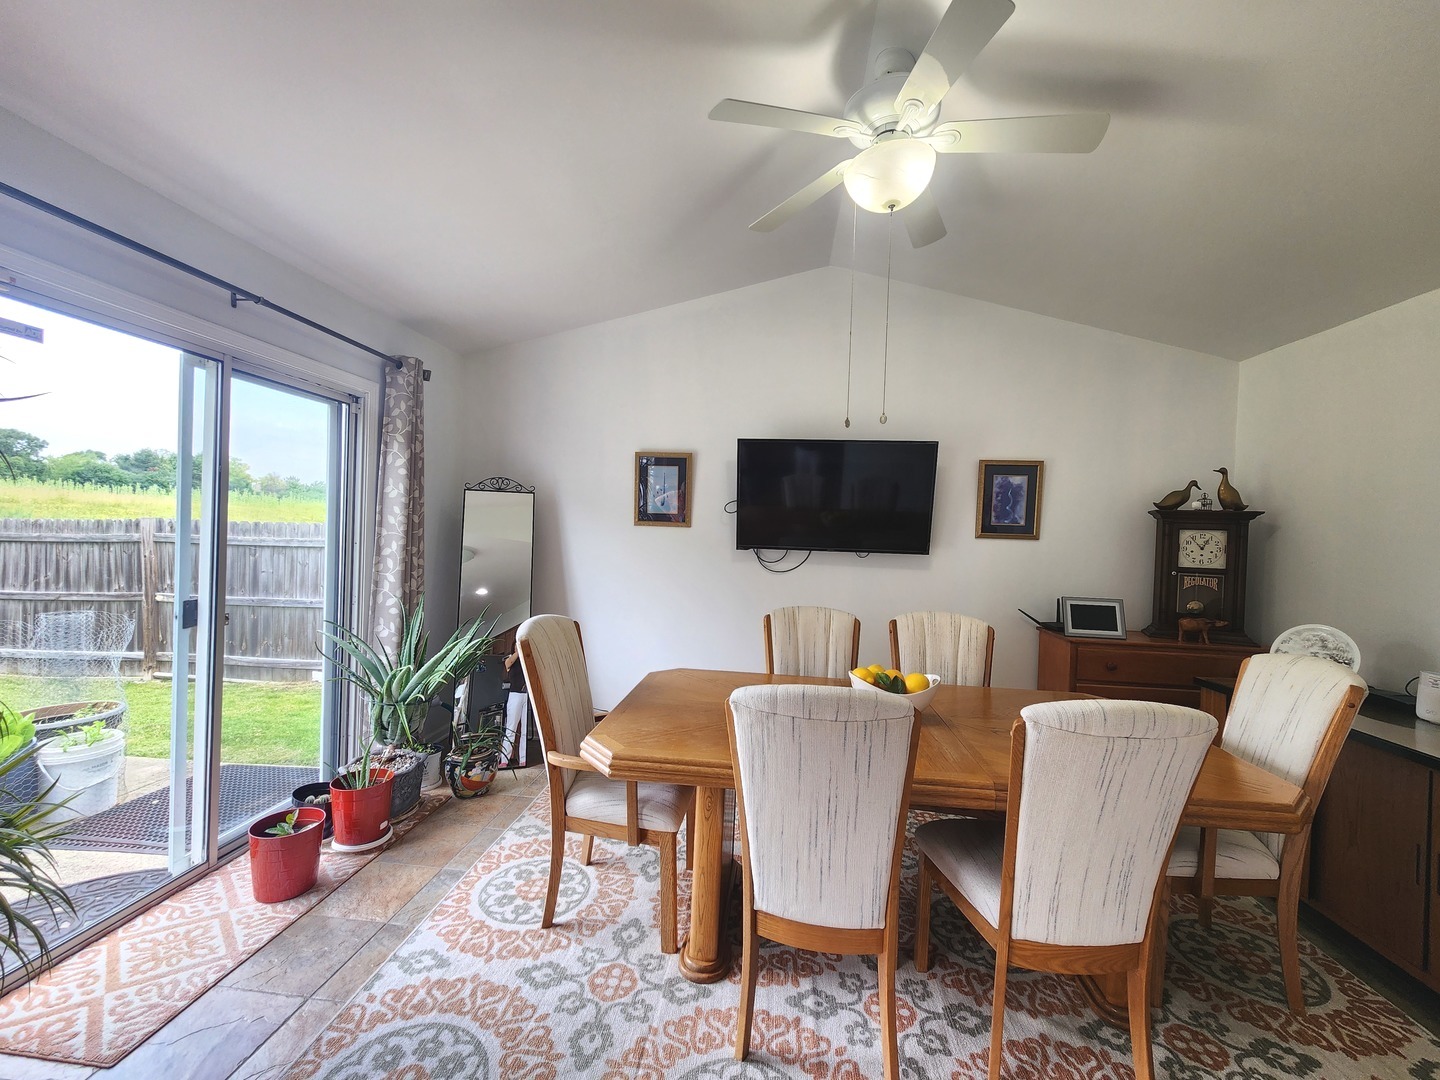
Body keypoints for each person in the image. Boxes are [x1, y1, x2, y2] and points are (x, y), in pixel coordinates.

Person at [501, 649, 530, 768]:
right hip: (515, 695)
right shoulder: (511, 659)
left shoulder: (526, 660)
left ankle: (523, 759)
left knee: (524, 730)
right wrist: (518, 651)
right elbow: (508, 663)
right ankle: (504, 759)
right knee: (511, 727)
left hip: (527, 695)